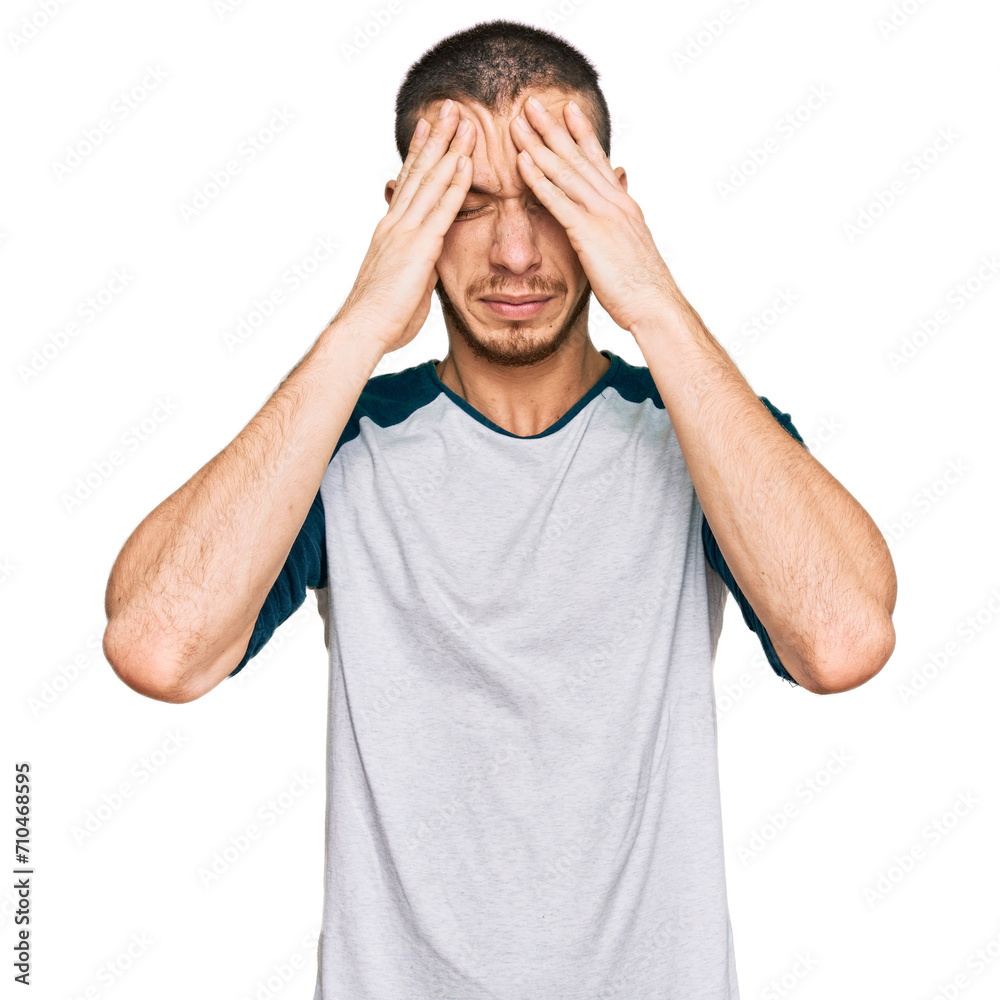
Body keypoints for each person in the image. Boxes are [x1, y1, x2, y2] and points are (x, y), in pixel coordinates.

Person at [101, 19, 897, 1000]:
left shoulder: (701, 431)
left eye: (553, 200)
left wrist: (652, 298)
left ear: (611, 204)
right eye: (468, 206)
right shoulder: (343, 441)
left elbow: (841, 641)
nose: (515, 254)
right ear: (407, 216)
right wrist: (360, 323)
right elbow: (158, 647)